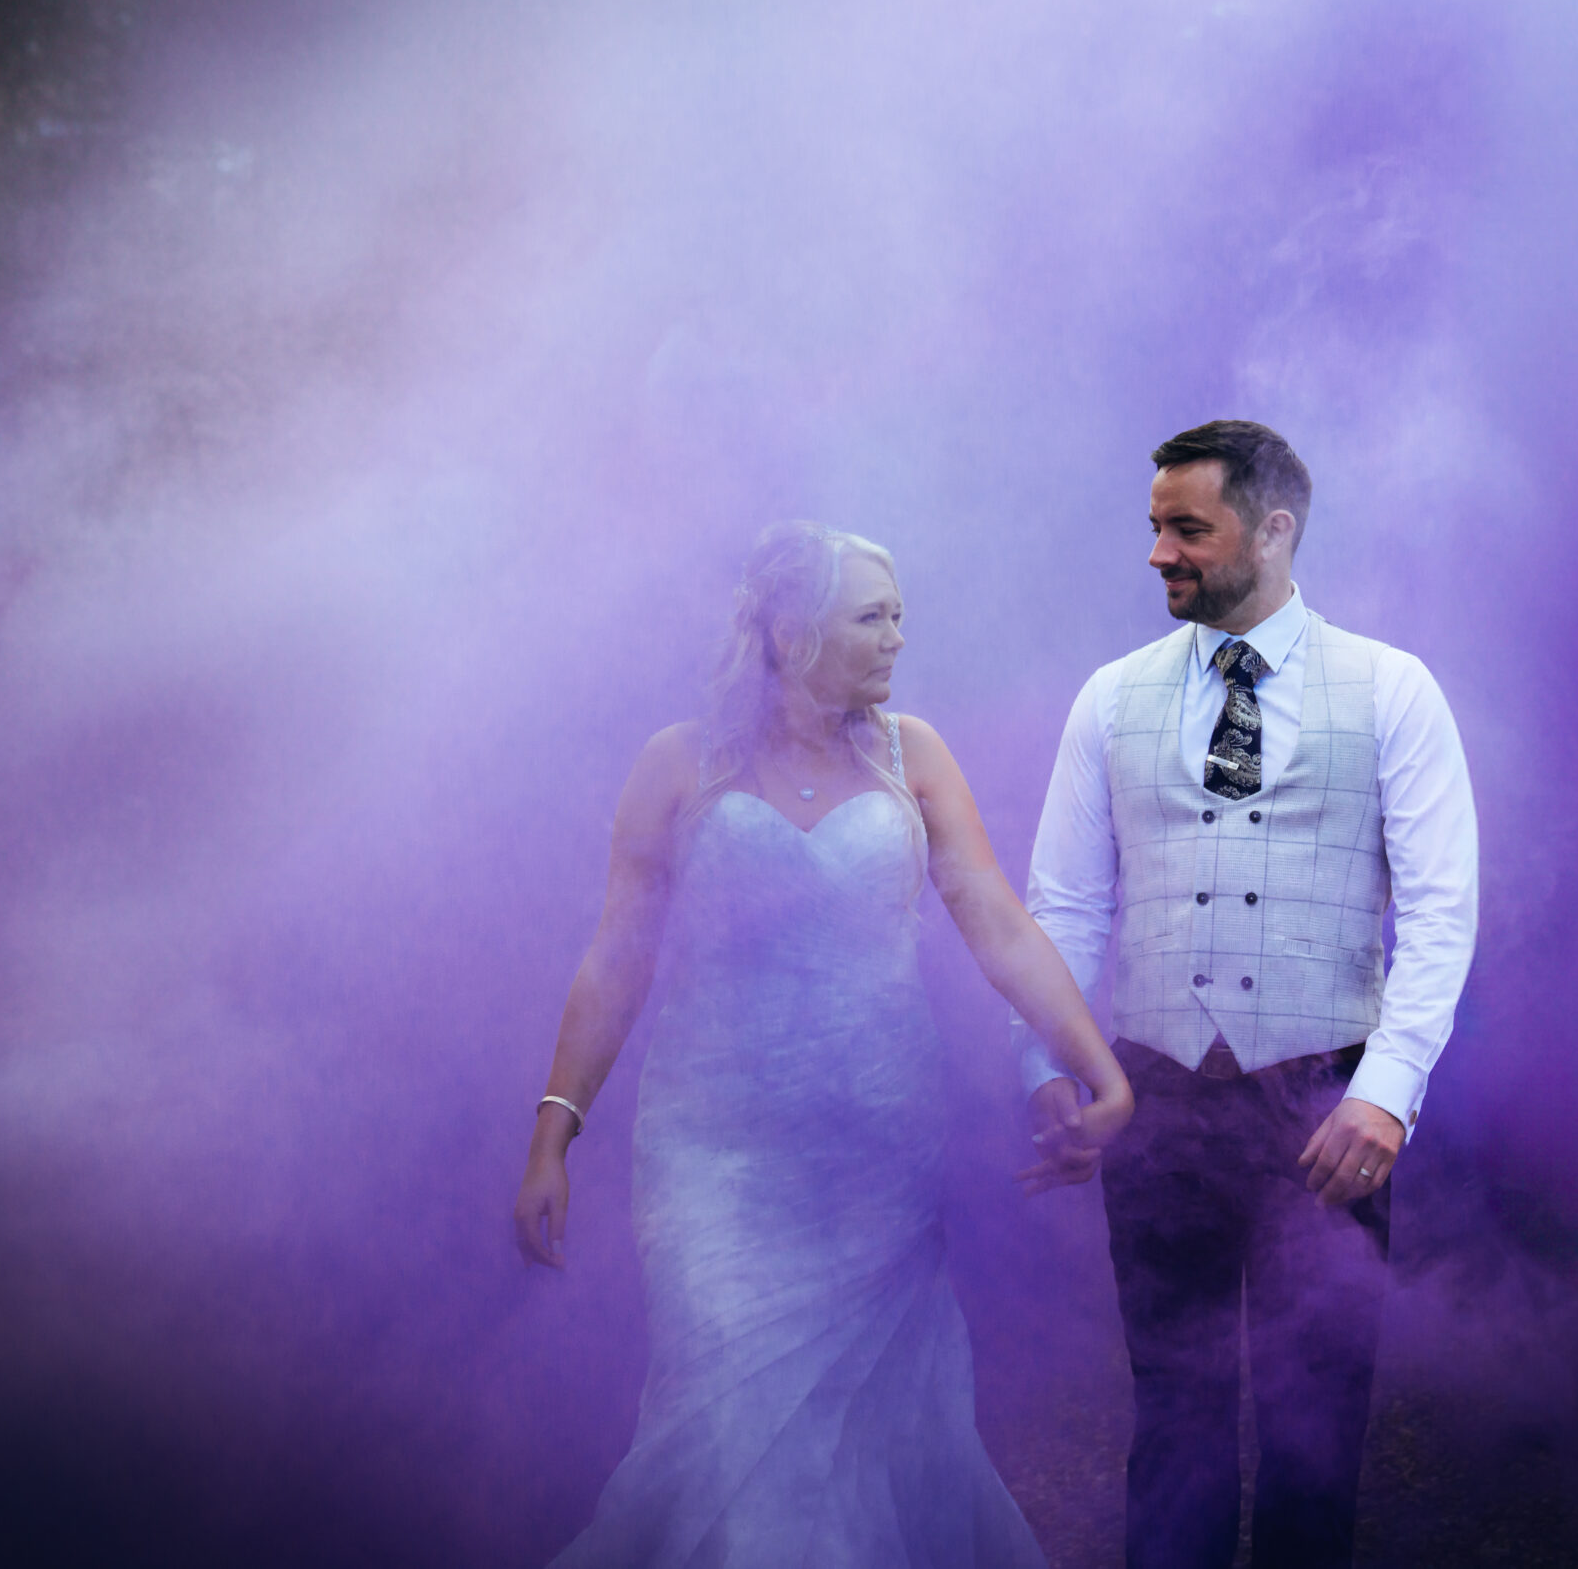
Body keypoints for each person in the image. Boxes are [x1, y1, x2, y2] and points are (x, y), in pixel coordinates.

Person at [513, 520, 1134, 1569]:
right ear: (791, 632)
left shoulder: (913, 755)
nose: (897, 638)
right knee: (730, 1419)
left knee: (879, 1428)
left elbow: (996, 922)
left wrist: (1097, 1067)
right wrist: (552, 1135)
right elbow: (617, 958)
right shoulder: (678, 765)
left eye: (899, 616)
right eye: (871, 617)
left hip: (877, 1157)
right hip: (715, 1157)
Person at [1013, 421, 1479, 1568]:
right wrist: (1049, 1062)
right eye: (1154, 527)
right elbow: (1063, 905)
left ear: (1272, 530)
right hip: (1155, 1095)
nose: (1158, 554)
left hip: (1324, 1104)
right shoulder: (1109, 697)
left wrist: (1386, 1093)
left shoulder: (1392, 689)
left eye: (1187, 528)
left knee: (1315, 1426)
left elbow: (1438, 910)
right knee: (1174, 1415)